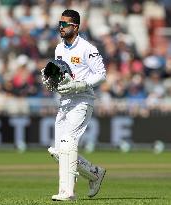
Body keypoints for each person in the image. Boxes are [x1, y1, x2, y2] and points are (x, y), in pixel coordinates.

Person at [43, 9, 107, 201]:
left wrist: (83, 83)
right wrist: (51, 80)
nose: (60, 27)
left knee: (68, 143)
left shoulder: (88, 48)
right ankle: (95, 174)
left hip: (83, 100)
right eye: (60, 24)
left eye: (65, 24)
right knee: (58, 151)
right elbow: (60, 75)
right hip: (65, 102)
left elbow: (101, 74)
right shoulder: (59, 49)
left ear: (75, 27)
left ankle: (68, 192)